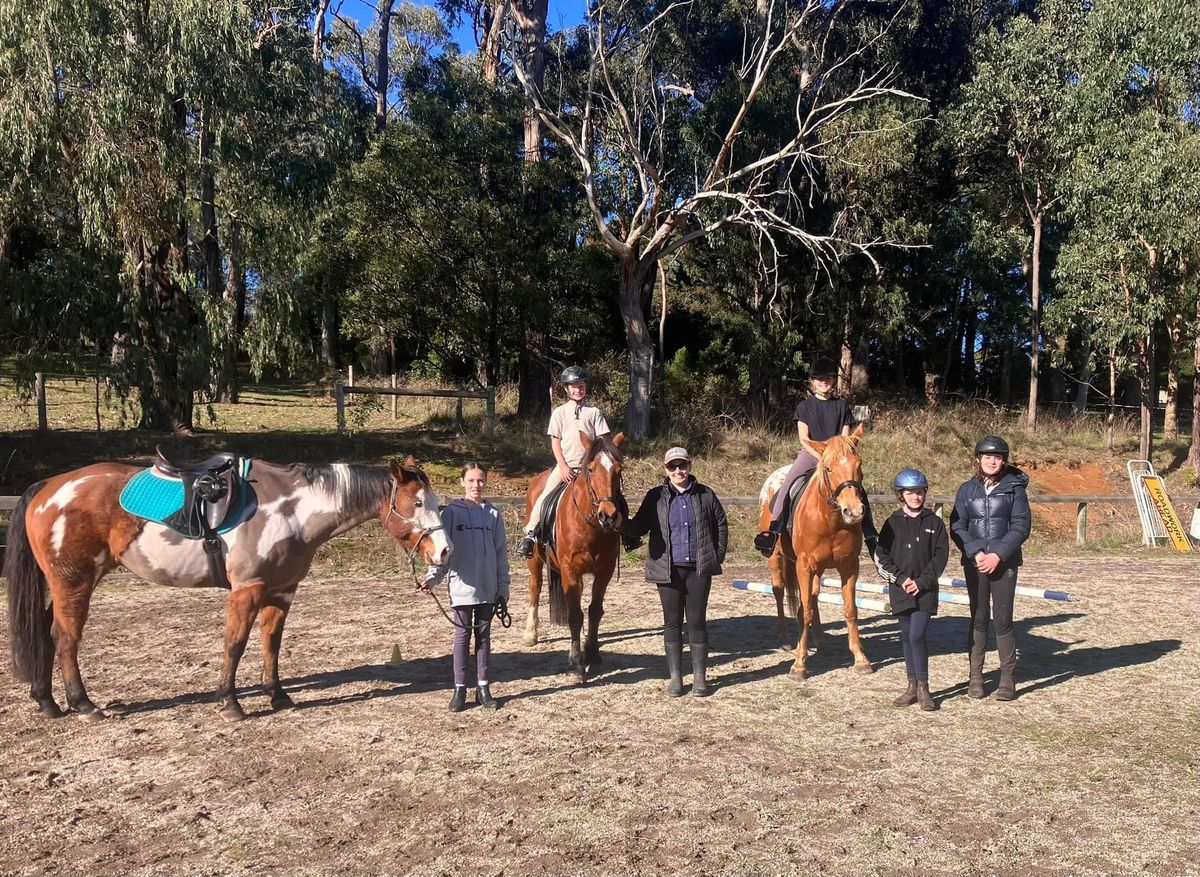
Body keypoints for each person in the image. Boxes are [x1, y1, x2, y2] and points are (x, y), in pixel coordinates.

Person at [622, 447, 728, 697]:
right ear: (665, 469)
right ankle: (676, 678)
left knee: (697, 621)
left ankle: (700, 679)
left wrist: (716, 555)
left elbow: (720, 524)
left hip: (699, 569)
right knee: (671, 623)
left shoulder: (706, 494)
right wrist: (619, 522)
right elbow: (638, 528)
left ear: (690, 466)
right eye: (673, 467)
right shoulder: (655, 497)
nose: (678, 471)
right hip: (667, 571)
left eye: (682, 465)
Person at [754, 357, 880, 563]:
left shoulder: (842, 406)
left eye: (828, 378)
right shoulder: (805, 407)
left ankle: (871, 535)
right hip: (811, 454)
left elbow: (845, 439)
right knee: (788, 485)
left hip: (837, 457)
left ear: (833, 381)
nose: (824, 382)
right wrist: (821, 456)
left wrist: (834, 457)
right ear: (812, 382)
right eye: (819, 379)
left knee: (856, 487)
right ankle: (774, 530)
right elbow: (804, 438)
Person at [422, 462, 510, 712]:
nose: (476, 485)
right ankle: (459, 688)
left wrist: (503, 585)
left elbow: (501, 553)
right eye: (471, 480)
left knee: (483, 637)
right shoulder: (451, 513)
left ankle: (483, 687)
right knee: (462, 638)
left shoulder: (493, 514)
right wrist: (433, 578)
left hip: (487, 587)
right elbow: (442, 552)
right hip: (462, 587)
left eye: (481, 480)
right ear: (462, 482)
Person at [949, 436, 1031, 702]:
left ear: (1003, 460)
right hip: (975, 563)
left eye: (997, 457)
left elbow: (1021, 526)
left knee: (1004, 620)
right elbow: (958, 525)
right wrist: (974, 551)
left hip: (1004, 563)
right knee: (979, 617)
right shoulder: (966, 489)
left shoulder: (1015, 488)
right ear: (978, 459)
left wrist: (998, 553)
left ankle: (1008, 677)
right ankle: (976, 676)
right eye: (987, 457)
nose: (992, 461)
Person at [516, 365, 611, 558]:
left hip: (590, 468)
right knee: (545, 495)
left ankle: (625, 534)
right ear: (567, 389)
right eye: (574, 386)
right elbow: (555, 442)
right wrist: (563, 466)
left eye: (581, 385)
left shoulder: (594, 412)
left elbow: (603, 441)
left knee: (612, 495)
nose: (578, 389)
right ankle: (531, 535)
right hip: (566, 466)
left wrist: (597, 465)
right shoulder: (559, 412)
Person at [876, 468, 949, 712]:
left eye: (919, 492)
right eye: (910, 493)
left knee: (918, 634)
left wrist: (922, 581)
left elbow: (940, 557)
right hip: (900, 590)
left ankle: (924, 687)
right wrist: (900, 579)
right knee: (907, 636)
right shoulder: (892, 523)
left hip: (925, 591)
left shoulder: (934, 523)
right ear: (901, 495)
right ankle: (911, 686)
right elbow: (881, 556)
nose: (916, 497)